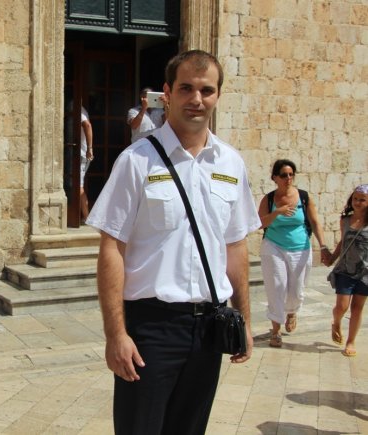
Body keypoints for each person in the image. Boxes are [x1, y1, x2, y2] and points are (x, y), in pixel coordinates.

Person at [86, 50, 261, 434]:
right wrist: (116, 334)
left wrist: (245, 321)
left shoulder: (231, 164)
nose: (196, 99)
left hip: (210, 328)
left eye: (206, 90)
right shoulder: (136, 161)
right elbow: (112, 248)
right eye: (186, 88)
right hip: (152, 328)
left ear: (218, 96)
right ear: (167, 93)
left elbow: (235, 247)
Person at [257, 159, 328, 348]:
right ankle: (276, 330)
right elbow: (260, 223)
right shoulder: (269, 199)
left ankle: (291, 312)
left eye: (291, 174)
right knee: (276, 287)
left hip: (300, 248)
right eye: (283, 175)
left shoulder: (303, 197)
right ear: (275, 178)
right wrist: (277, 212)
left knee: (296, 290)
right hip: (273, 246)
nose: (288, 178)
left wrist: (323, 246)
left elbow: (315, 222)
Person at [323, 184, 368, 357]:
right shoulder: (345, 220)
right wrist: (332, 258)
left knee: (357, 308)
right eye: (355, 199)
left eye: (362, 200)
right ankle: (336, 321)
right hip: (345, 269)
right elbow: (343, 242)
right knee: (342, 306)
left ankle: (351, 341)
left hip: (365, 272)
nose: (357, 202)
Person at [80, 106, 93, 223]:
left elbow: (87, 125)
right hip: (82, 153)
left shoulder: (80, 110)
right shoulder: (82, 109)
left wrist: (89, 148)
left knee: (79, 186)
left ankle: (87, 217)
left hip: (81, 153)